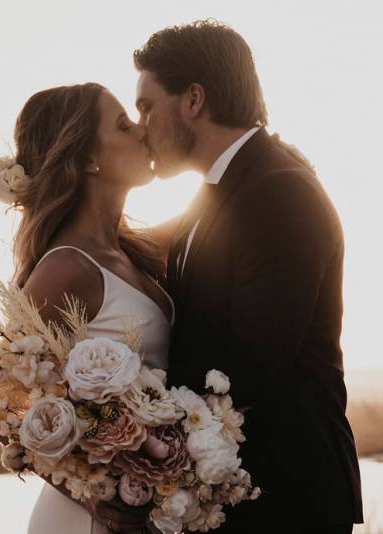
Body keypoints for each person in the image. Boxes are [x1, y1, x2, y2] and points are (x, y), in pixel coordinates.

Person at [130, 20, 364, 533]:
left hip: (288, 497)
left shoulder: (278, 190)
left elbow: (252, 364)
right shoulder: (219, 192)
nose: (140, 124)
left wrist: (125, 422)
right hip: (244, 495)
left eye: (147, 105)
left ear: (194, 98)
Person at [0, 83, 171, 533]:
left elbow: (218, 208)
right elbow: (0, 404)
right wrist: (86, 494)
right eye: (124, 126)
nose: (143, 132)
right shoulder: (67, 267)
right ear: (89, 158)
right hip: (85, 521)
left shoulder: (128, 253)